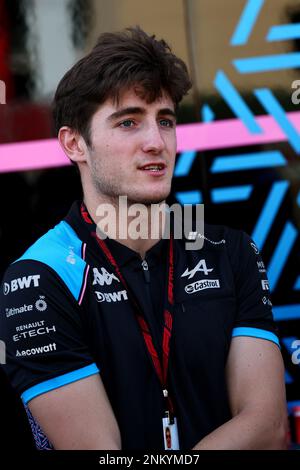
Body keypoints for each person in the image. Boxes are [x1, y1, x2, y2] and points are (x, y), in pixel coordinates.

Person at [0, 27, 288, 450]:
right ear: (75, 143)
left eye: (165, 121)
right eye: (129, 122)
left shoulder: (230, 252)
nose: (156, 143)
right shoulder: (38, 278)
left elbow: (268, 429)